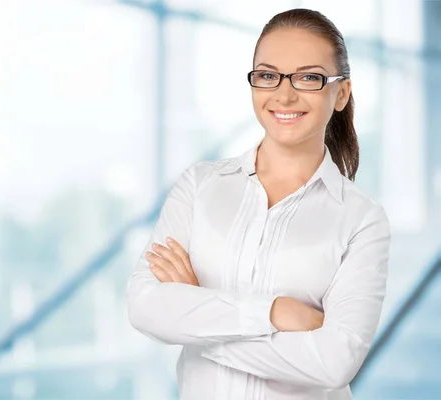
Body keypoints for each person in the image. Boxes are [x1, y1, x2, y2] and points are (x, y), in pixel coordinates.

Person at [126, 8, 391, 400]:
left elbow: (334, 363)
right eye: (268, 75)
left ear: (342, 93)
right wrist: (274, 313)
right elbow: (145, 306)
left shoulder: (361, 219)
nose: (284, 94)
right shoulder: (199, 187)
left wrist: (196, 315)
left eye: (308, 77)